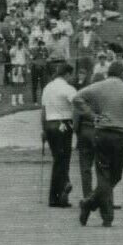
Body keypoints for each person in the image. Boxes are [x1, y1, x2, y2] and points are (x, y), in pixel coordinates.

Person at [73, 58, 123, 228]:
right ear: (120, 73)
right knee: (114, 176)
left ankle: (89, 203)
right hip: (122, 136)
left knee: (104, 175)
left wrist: (92, 116)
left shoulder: (99, 86)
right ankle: (107, 217)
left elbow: (77, 98)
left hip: (103, 134)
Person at [40, 62, 77, 208]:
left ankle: (58, 195)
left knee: (57, 159)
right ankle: (61, 192)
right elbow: (77, 105)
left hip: (49, 124)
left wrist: (43, 130)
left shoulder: (47, 87)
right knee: (63, 159)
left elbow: (43, 110)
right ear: (67, 74)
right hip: (63, 124)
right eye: (71, 75)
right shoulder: (68, 88)